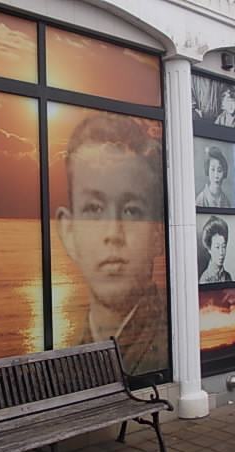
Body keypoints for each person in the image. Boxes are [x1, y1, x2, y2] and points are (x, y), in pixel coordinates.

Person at [56, 113, 168, 375]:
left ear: (158, 233)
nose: (113, 233)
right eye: (94, 208)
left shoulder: (169, 346)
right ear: (68, 232)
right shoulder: (68, 358)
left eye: (131, 210)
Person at [199, 215, 232, 284]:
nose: (221, 253)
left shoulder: (228, 276)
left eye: (223, 247)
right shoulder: (205, 279)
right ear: (209, 249)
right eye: (217, 247)